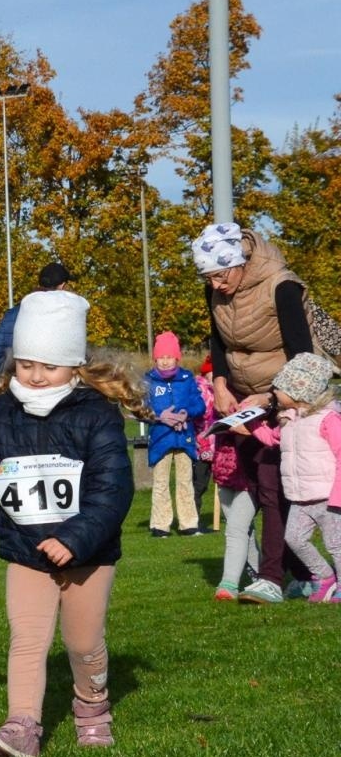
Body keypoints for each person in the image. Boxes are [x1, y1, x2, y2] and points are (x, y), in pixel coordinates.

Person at [0, 290, 143, 757]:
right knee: (27, 640)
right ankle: (21, 725)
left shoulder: (96, 416)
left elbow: (112, 490)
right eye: (26, 363)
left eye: (48, 365)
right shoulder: (4, 410)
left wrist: (74, 537)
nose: (35, 375)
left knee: (83, 641)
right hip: (24, 549)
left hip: (86, 553)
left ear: (73, 366)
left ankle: (92, 710)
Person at [194, 222, 319, 604]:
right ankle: (303, 574)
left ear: (240, 263)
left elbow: (302, 356)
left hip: (286, 401)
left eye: (219, 275)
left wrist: (269, 399)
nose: (215, 285)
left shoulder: (282, 287)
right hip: (243, 404)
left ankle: (271, 579)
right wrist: (219, 384)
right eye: (208, 277)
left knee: (271, 487)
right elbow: (218, 341)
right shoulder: (215, 289)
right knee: (264, 489)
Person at [243, 353, 341, 603]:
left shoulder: (328, 420)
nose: (275, 391)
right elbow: (273, 440)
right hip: (299, 497)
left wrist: (338, 495)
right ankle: (324, 576)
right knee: (294, 539)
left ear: (301, 391)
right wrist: (251, 427)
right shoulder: (288, 420)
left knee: (336, 545)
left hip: (327, 498)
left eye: (281, 387)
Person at [143, 331, 205, 537]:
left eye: (169, 357)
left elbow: (199, 404)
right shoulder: (148, 381)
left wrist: (186, 413)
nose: (165, 361)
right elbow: (141, 408)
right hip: (161, 438)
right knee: (160, 482)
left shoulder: (187, 379)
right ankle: (160, 525)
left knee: (185, 481)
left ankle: (188, 524)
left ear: (177, 358)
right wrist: (160, 416)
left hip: (184, 437)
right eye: (161, 357)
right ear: (155, 358)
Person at [0, 262, 72, 373]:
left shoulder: (14, 312)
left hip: (15, 380)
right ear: (62, 286)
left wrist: (13, 374)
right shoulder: (65, 315)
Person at [210, 422, 260, 601]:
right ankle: (260, 576)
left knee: (235, 529)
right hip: (225, 470)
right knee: (245, 529)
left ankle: (228, 584)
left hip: (249, 474)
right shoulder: (219, 395)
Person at [191, 357, 217, 520]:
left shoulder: (221, 390)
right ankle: (193, 517)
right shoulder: (200, 390)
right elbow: (201, 414)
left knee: (213, 482)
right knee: (198, 483)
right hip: (201, 445)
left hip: (216, 444)